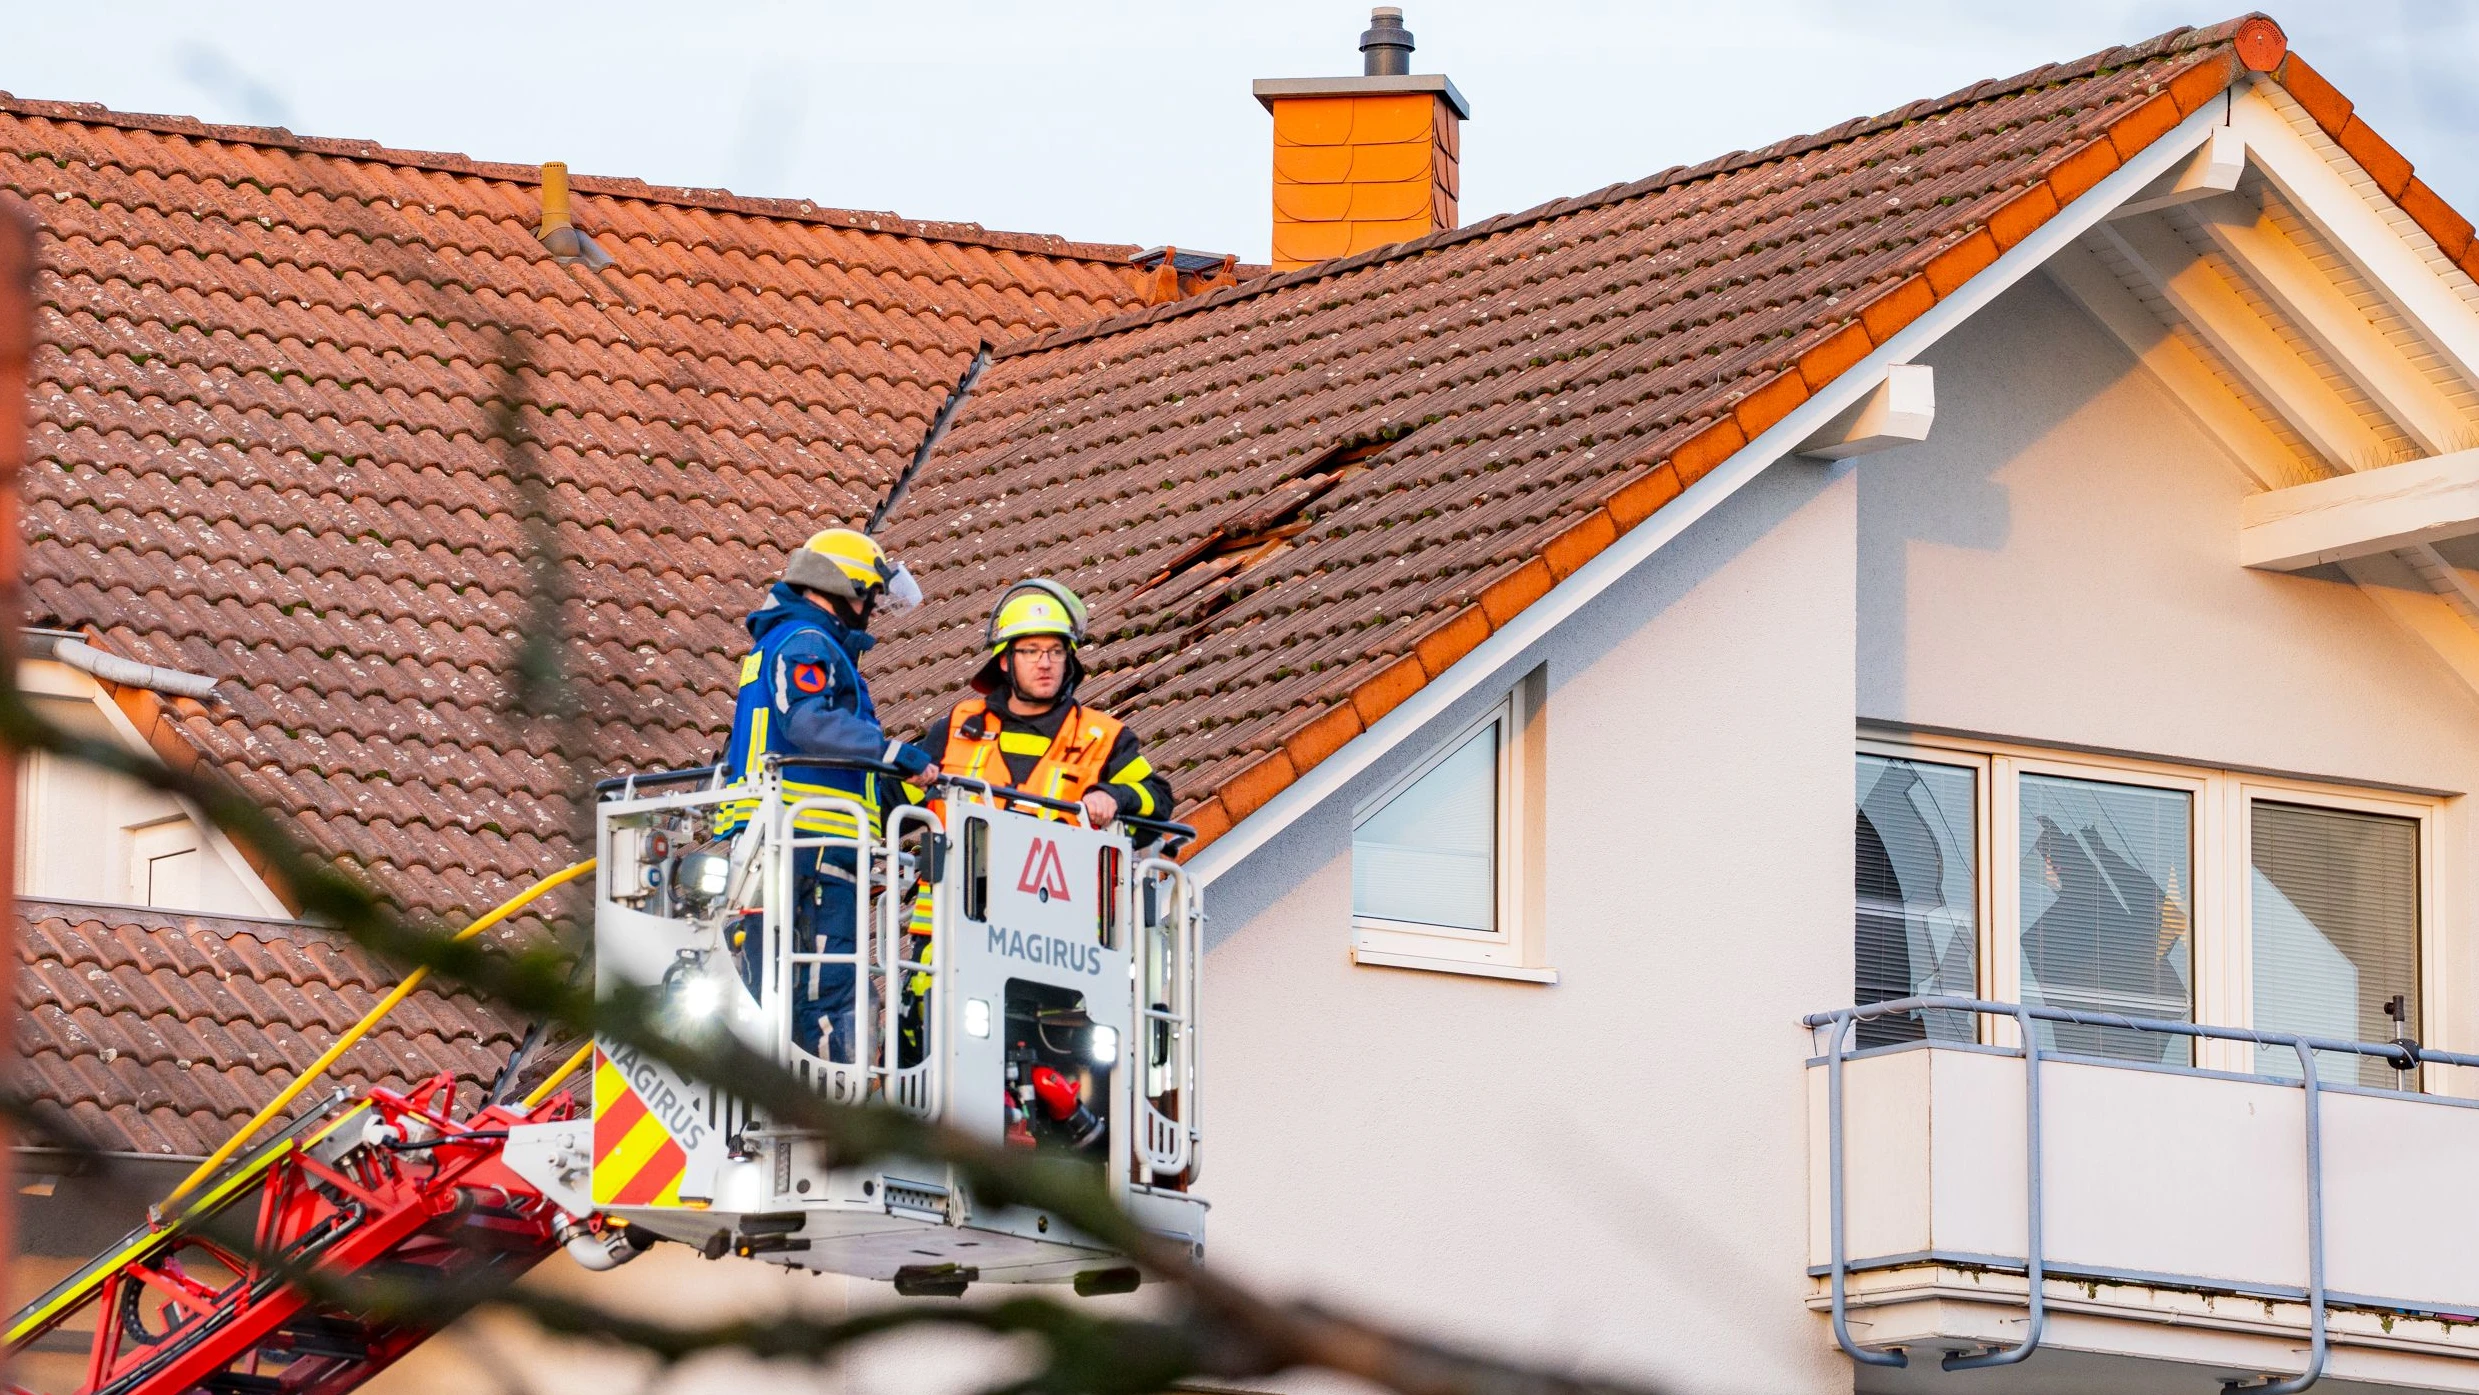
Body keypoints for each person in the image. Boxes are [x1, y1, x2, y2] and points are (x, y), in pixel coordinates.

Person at [714, 527, 934, 1064]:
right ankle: (832, 1111)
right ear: (844, 589)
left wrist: (903, 809)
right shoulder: (807, 643)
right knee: (825, 985)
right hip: (808, 844)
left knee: (773, 984)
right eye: (870, 597)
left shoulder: (784, 642)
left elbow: (827, 762)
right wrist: (895, 754)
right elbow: (811, 724)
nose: (872, 611)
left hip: (784, 843)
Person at [920, 578, 1170, 831]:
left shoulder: (1103, 738)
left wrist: (1114, 796)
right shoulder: (957, 729)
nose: (1045, 663)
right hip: (957, 871)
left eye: (1056, 651)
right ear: (1005, 661)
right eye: (1030, 650)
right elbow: (890, 803)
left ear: (1067, 661)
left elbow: (1159, 799)